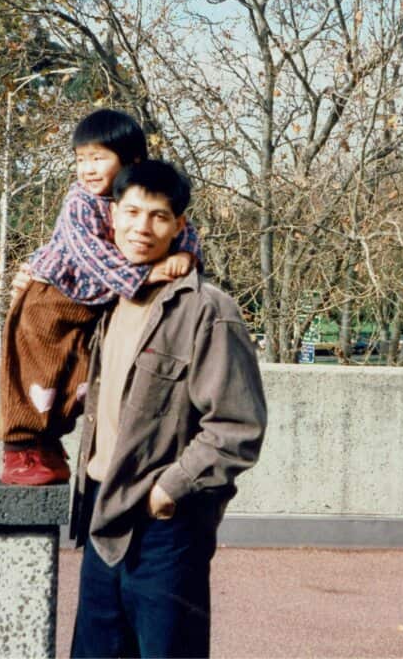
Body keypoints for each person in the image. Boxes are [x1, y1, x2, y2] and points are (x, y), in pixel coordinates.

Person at [65, 160, 266, 658]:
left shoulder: (206, 309)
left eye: (158, 216)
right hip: (100, 508)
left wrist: (168, 490)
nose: (141, 227)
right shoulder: (107, 298)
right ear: (111, 216)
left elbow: (237, 425)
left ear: (180, 225)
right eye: (131, 212)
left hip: (164, 526)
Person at [0, 109, 203, 486]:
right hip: (51, 295)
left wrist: (187, 254)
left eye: (99, 158)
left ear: (131, 161)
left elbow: (179, 221)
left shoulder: (137, 195)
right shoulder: (79, 202)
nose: (88, 169)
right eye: (81, 159)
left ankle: (47, 444)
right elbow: (92, 256)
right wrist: (146, 274)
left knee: (78, 379)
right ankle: (20, 449)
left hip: (92, 304)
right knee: (34, 371)